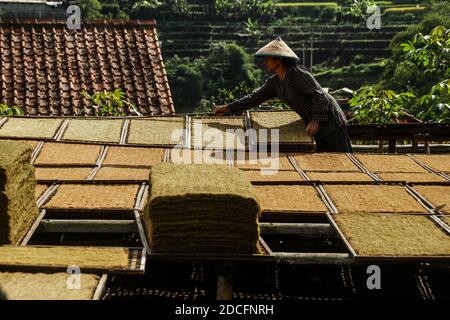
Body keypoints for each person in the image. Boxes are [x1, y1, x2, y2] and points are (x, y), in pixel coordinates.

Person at [214, 37, 352, 152]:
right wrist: (227, 108)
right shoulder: (275, 82)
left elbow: (320, 95)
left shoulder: (296, 74)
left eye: (268, 59)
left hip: (331, 122)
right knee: (325, 162)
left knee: (342, 159)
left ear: (278, 59)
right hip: (314, 127)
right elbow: (255, 98)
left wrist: (315, 119)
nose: (265, 62)